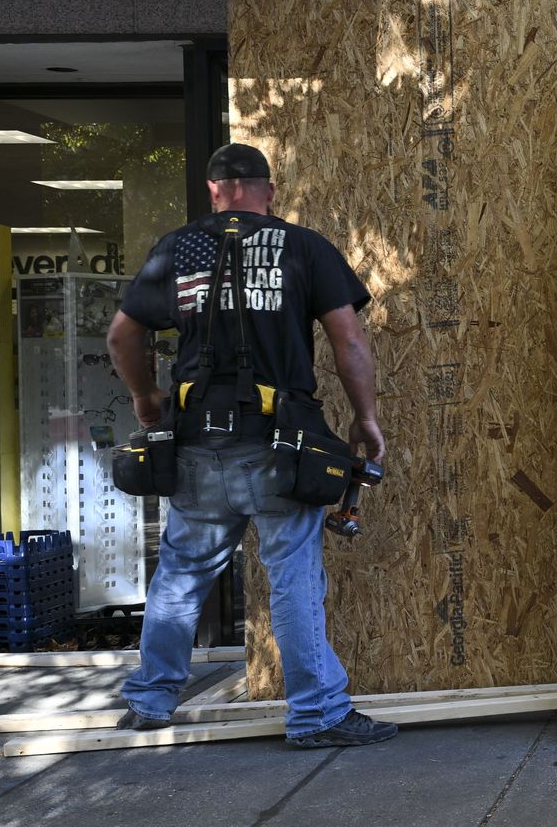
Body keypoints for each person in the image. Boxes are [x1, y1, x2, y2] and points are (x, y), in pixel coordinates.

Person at [106, 143, 395, 749]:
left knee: (182, 574)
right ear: (267, 189)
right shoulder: (304, 247)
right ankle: (317, 715)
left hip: (194, 444)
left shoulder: (176, 249)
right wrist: (365, 419)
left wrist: (145, 399)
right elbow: (350, 343)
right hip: (279, 445)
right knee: (293, 576)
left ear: (215, 191)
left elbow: (123, 334)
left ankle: (151, 701)